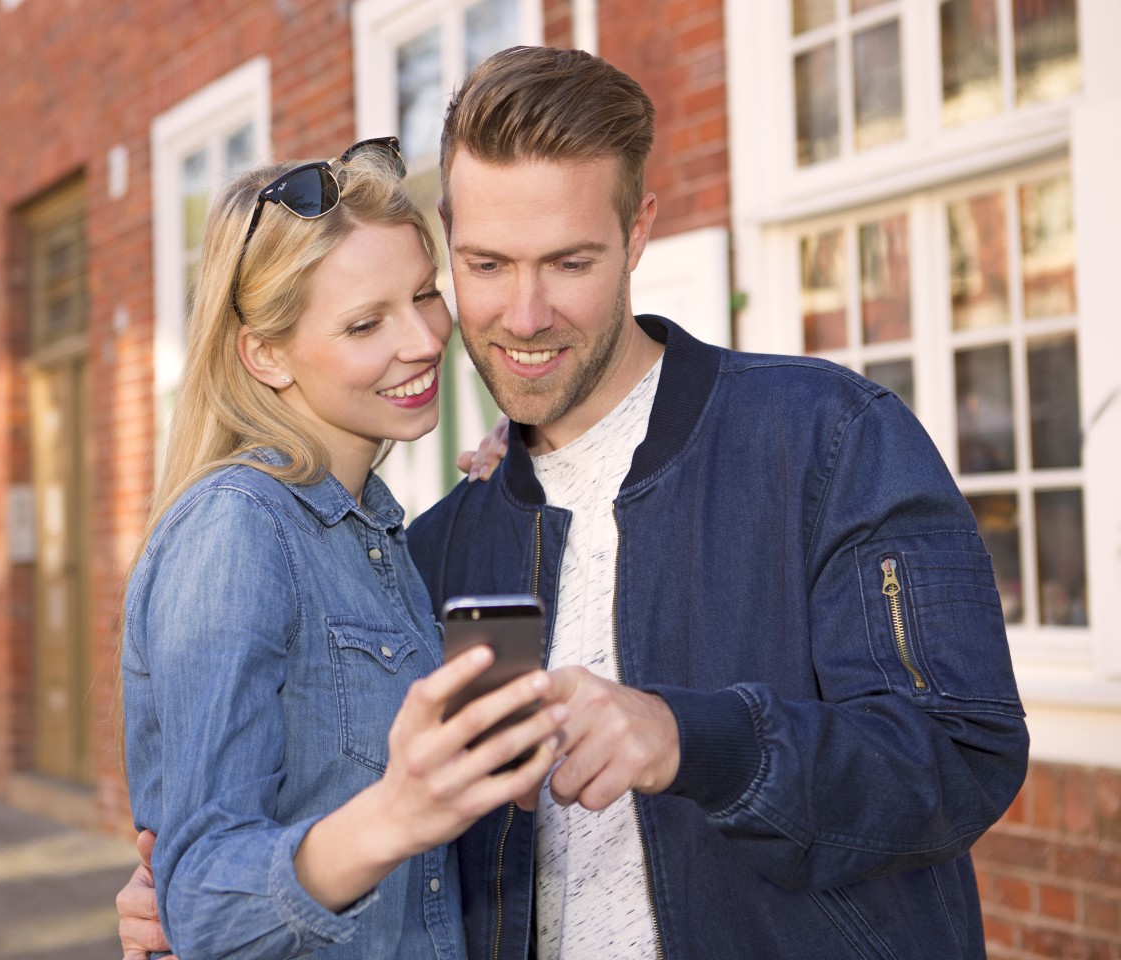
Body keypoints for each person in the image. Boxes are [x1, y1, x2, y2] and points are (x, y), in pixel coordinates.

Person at [121, 46, 1029, 960]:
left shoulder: (830, 438)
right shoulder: (431, 548)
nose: (522, 314)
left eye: (568, 262)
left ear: (637, 236)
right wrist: (199, 904)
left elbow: (962, 752)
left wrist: (692, 739)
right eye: (484, 264)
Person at [119, 141, 569, 960]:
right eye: (366, 323)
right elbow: (205, 904)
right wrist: (398, 812)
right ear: (265, 354)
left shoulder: (378, 535)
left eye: (425, 296)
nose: (425, 341)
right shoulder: (239, 529)